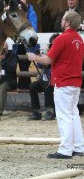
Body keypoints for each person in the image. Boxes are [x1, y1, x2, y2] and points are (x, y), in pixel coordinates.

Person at [27, 11, 84, 159]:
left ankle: (65, 149)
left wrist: (35, 57)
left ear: (68, 23)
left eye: (63, 19)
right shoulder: (79, 39)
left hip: (63, 82)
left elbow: (48, 60)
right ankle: (78, 146)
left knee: (64, 115)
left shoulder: (61, 38)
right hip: (75, 82)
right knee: (73, 114)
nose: (61, 21)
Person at [28, 34, 59, 121]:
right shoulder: (48, 49)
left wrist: (45, 58)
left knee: (48, 86)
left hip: (54, 79)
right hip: (45, 78)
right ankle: (36, 111)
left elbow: (51, 62)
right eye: (52, 41)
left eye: (55, 41)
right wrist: (40, 57)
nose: (54, 43)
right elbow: (40, 65)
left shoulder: (58, 50)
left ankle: (50, 111)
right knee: (32, 86)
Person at [12, 0, 39, 90]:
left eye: (23, 4)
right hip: (17, 44)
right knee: (19, 64)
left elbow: (34, 28)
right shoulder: (15, 13)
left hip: (28, 43)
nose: (21, 6)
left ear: (26, 5)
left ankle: (23, 86)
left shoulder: (32, 13)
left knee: (24, 65)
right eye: (19, 4)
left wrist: (22, 30)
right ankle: (22, 86)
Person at [0, 42, 17, 120]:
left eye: (4, 49)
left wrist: (3, 60)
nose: (2, 51)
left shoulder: (13, 55)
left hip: (9, 80)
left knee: (3, 87)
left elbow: (12, 69)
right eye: (1, 49)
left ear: (7, 48)